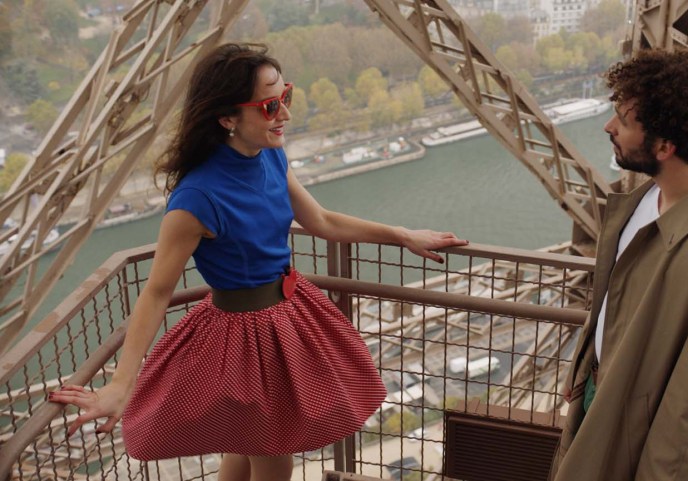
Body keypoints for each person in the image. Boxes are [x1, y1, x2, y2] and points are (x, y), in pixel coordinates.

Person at [49, 43, 468, 481]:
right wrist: (122, 383)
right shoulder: (196, 199)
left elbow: (321, 220)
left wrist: (402, 235)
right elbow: (156, 292)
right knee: (273, 452)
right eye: (270, 106)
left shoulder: (270, 155)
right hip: (244, 338)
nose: (284, 113)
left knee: (248, 444)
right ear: (227, 118)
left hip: (286, 316)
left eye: (286, 96)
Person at [550, 49, 688, 481]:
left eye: (624, 122)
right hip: (601, 401)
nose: (609, 127)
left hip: (629, 437)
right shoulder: (650, 198)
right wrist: (583, 373)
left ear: (665, 147)